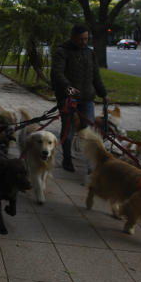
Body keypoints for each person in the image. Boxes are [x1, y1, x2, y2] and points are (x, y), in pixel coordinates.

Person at [51, 24, 108, 172]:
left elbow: (96, 75)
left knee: (87, 132)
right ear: (72, 37)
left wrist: (103, 93)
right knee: (68, 130)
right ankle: (67, 159)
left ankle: (90, 163)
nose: (84, 42)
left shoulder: (90, 53)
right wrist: (68, 88)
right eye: (81, 39)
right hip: (68, 98)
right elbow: (57, 74)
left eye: (86, 39)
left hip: (87, 98)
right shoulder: (62, 52)